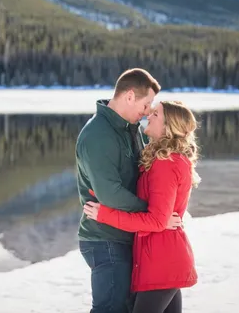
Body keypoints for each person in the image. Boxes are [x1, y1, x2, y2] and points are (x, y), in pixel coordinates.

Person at [76, 69, 183, 313]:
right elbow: (109, 194)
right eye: (146, 104)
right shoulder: (98, 134)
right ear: (130, 96)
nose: (147, 112)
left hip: (128, 235)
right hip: (106, 239)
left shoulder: (129, 130)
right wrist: (156, 215)